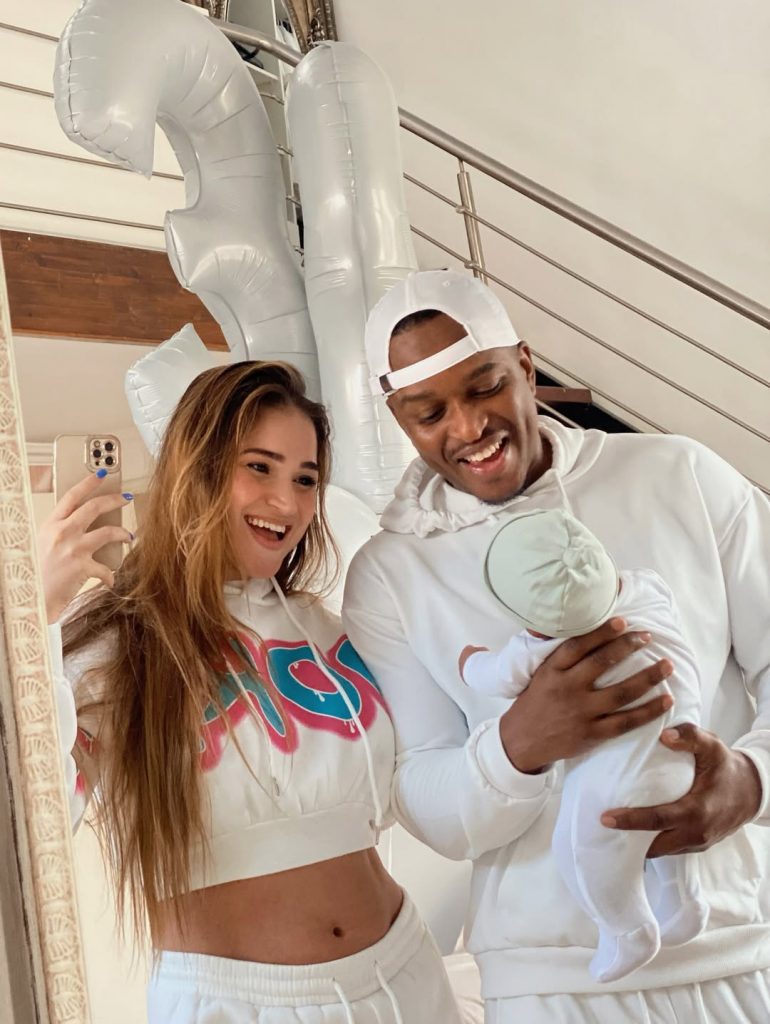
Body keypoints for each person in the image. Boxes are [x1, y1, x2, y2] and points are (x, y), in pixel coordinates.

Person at [342, 269, 770, 1022]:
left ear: (526, 365)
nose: (467, 428)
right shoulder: (390, 573)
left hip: (740, 947)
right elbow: (423, 799)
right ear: (398, 420)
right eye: (428, 412)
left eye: (485, 387)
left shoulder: (682, 475)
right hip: (545, 984)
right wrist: (517, 745)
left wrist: (753, 781)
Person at [41, 361, 462, 1024]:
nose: (287, 503)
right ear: (199, 470)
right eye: (259, 468)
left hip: (407, 974)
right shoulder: (114, 646)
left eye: (305, 479)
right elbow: (35, 811)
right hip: (235, 1004)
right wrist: (34, 612)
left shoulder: (329, 630)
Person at [460, 507, 706, 984]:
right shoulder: (647, 588)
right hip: (688, 750)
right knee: (677, 834)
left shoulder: (540, 646)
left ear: (530, 621)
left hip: (621, 779)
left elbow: (496, 677)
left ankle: (627, 931)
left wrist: (470, 661)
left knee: (582, 851)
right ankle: (685, 901)